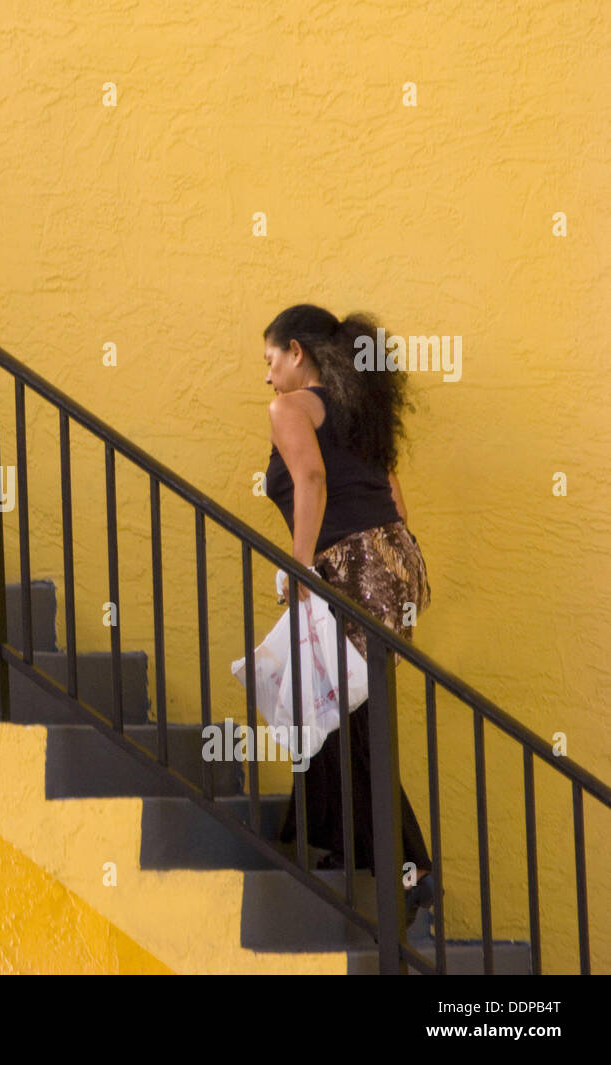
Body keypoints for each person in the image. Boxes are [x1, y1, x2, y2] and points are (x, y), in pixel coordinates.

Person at [259, 303, 437, 925]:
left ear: (297, 353)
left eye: (272, 359)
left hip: (350, 564)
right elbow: (396, 502)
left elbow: (310, 479)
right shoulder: (358, 404)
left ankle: (407, 862)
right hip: (393, 560)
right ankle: (345, 844)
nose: (268, 376)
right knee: (341, 704)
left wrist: (300, 567)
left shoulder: (291, 408)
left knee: (343, 708)